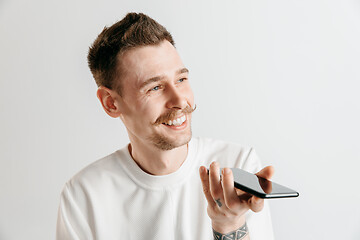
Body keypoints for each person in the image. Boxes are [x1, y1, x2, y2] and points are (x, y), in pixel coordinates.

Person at [56, 12, 274, 240]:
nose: (180, 101)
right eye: (155, 88)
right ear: (111, 103)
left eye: (181, 80)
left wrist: (229, 225)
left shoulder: (237, 165)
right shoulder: (83, 195)